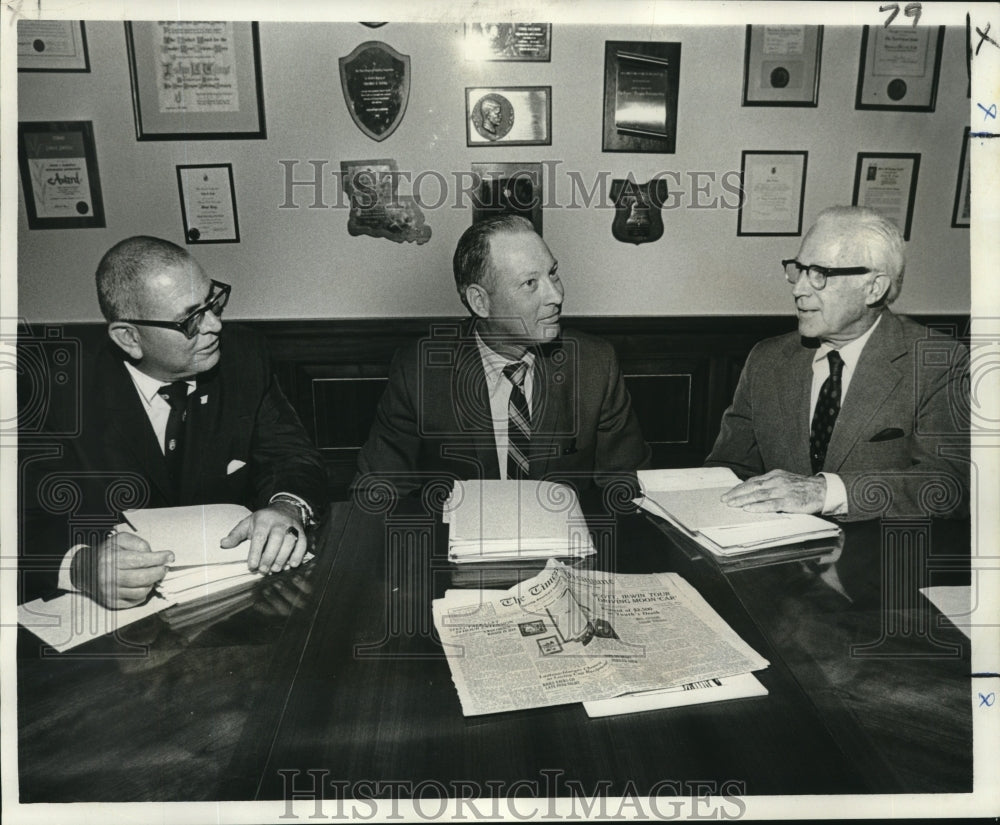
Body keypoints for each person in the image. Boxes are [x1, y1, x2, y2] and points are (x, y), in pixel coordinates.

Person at [18, 236, 328, 608]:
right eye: (191, 319)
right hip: (105, 620)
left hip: (231, 600)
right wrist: (81, 567)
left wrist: (286, 508)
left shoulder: (244, 356)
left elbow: (291, 456)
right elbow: (16, 524)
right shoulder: (52, 394)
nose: (214, 325)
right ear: (129, 338)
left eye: (214, 302)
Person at [353, 214, 651, 499]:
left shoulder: (595, 365)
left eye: (553, 274)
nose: (556, 296)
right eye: (530, 283)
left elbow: (629, 490)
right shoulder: (419, 371)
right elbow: (378, 491)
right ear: (480, 302)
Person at [706, 206, 968, 520]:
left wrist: (824, 492)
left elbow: (950, 485)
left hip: (879, 559)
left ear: (874, 288)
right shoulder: (767, 359)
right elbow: (729, 470)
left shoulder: (938, 363)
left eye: (820, 274)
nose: (798, 288)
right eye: (799, 270)